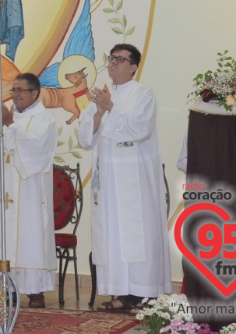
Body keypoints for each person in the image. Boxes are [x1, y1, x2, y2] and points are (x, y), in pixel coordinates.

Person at [78, 44, 171, 311]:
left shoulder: (143, 94)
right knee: (113, 234)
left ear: (133, 67)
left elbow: (139, 128)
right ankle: (122, 293)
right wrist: (98, 110)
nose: (114, 63)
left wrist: (111, 108)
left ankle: (144, 292)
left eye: (121, 59)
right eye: (112, 58)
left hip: (134, 178)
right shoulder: (101, 96)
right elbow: (85, 139)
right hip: (108, 180)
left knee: (136, 233)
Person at [0, 72, 57, 308]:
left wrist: (10, 125)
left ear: (35, 93)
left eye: (21, 90)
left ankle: (35, 290)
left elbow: (38, 150)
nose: (16, 95)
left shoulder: (45, 119)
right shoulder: (8, 116)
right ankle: (4, 289)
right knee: (3, 237)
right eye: (14, 90)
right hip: (4, 186)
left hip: (29, 188)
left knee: (30, 236)